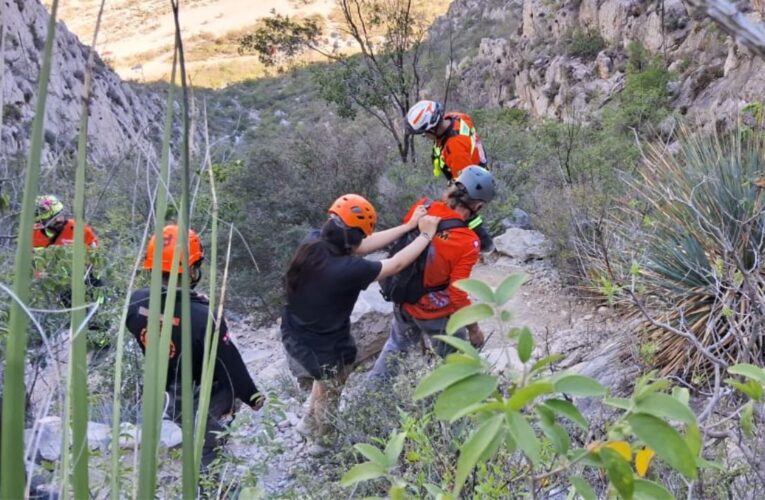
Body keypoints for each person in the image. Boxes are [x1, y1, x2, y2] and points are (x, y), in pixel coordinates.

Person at [281, 194, 440, 454]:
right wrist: (425, 235)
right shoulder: (348, 269)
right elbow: (396, 263)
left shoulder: (314, 241)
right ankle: (323, 441)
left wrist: (409, 226)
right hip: (324, 346)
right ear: (353, 237)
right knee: (332, 386)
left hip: (295, 334)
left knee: (323, 379)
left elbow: (363, 246)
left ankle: (309, 422)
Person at [126, 224, 263, 465]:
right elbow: (229, 362)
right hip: (205, 393)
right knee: (208, 446)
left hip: (164, 387)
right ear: (190, 269)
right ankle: (208, 485)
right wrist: (252, 396)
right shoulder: (201, 316)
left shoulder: (136, 301)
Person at [368, 166, 496, 382]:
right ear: (477, 205)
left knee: (395, 348)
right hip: (433, 313)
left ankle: (366, 399)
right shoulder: (467, 242)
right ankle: (457, 409)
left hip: (403, 299)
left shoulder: (423, 206)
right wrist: (474, 329)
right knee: (457, 365)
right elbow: (458, 294)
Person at [404, 100, 495, 253]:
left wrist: (450, 196)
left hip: (469, 179)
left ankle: (483, 244)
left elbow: (464, 183)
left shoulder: (455, 147)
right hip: (474, 167)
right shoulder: (456, 117)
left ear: (433, 129)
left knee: (462, 209)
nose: (425, 136)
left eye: (424, 133)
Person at [32, 195, 98, 249]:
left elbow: (94, 251)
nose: (58, 220)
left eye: (60, 215)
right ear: (43, 222)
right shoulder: (32, 235)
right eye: (52, 219)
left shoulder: (78, 229)